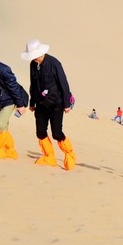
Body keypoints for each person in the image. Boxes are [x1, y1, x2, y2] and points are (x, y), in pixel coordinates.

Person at [21, 39, 76, 170]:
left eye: (34, 56)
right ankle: (49, 156)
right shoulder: (33, 65)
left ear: (40, 53)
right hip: (40, 104)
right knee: (40, 132)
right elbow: (33, 84)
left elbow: (64, 83)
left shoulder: (54, 63)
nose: (33, 59)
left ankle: (69, 154)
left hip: (56, 103)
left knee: (56, 133)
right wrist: (32, 102)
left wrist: (66, 103)